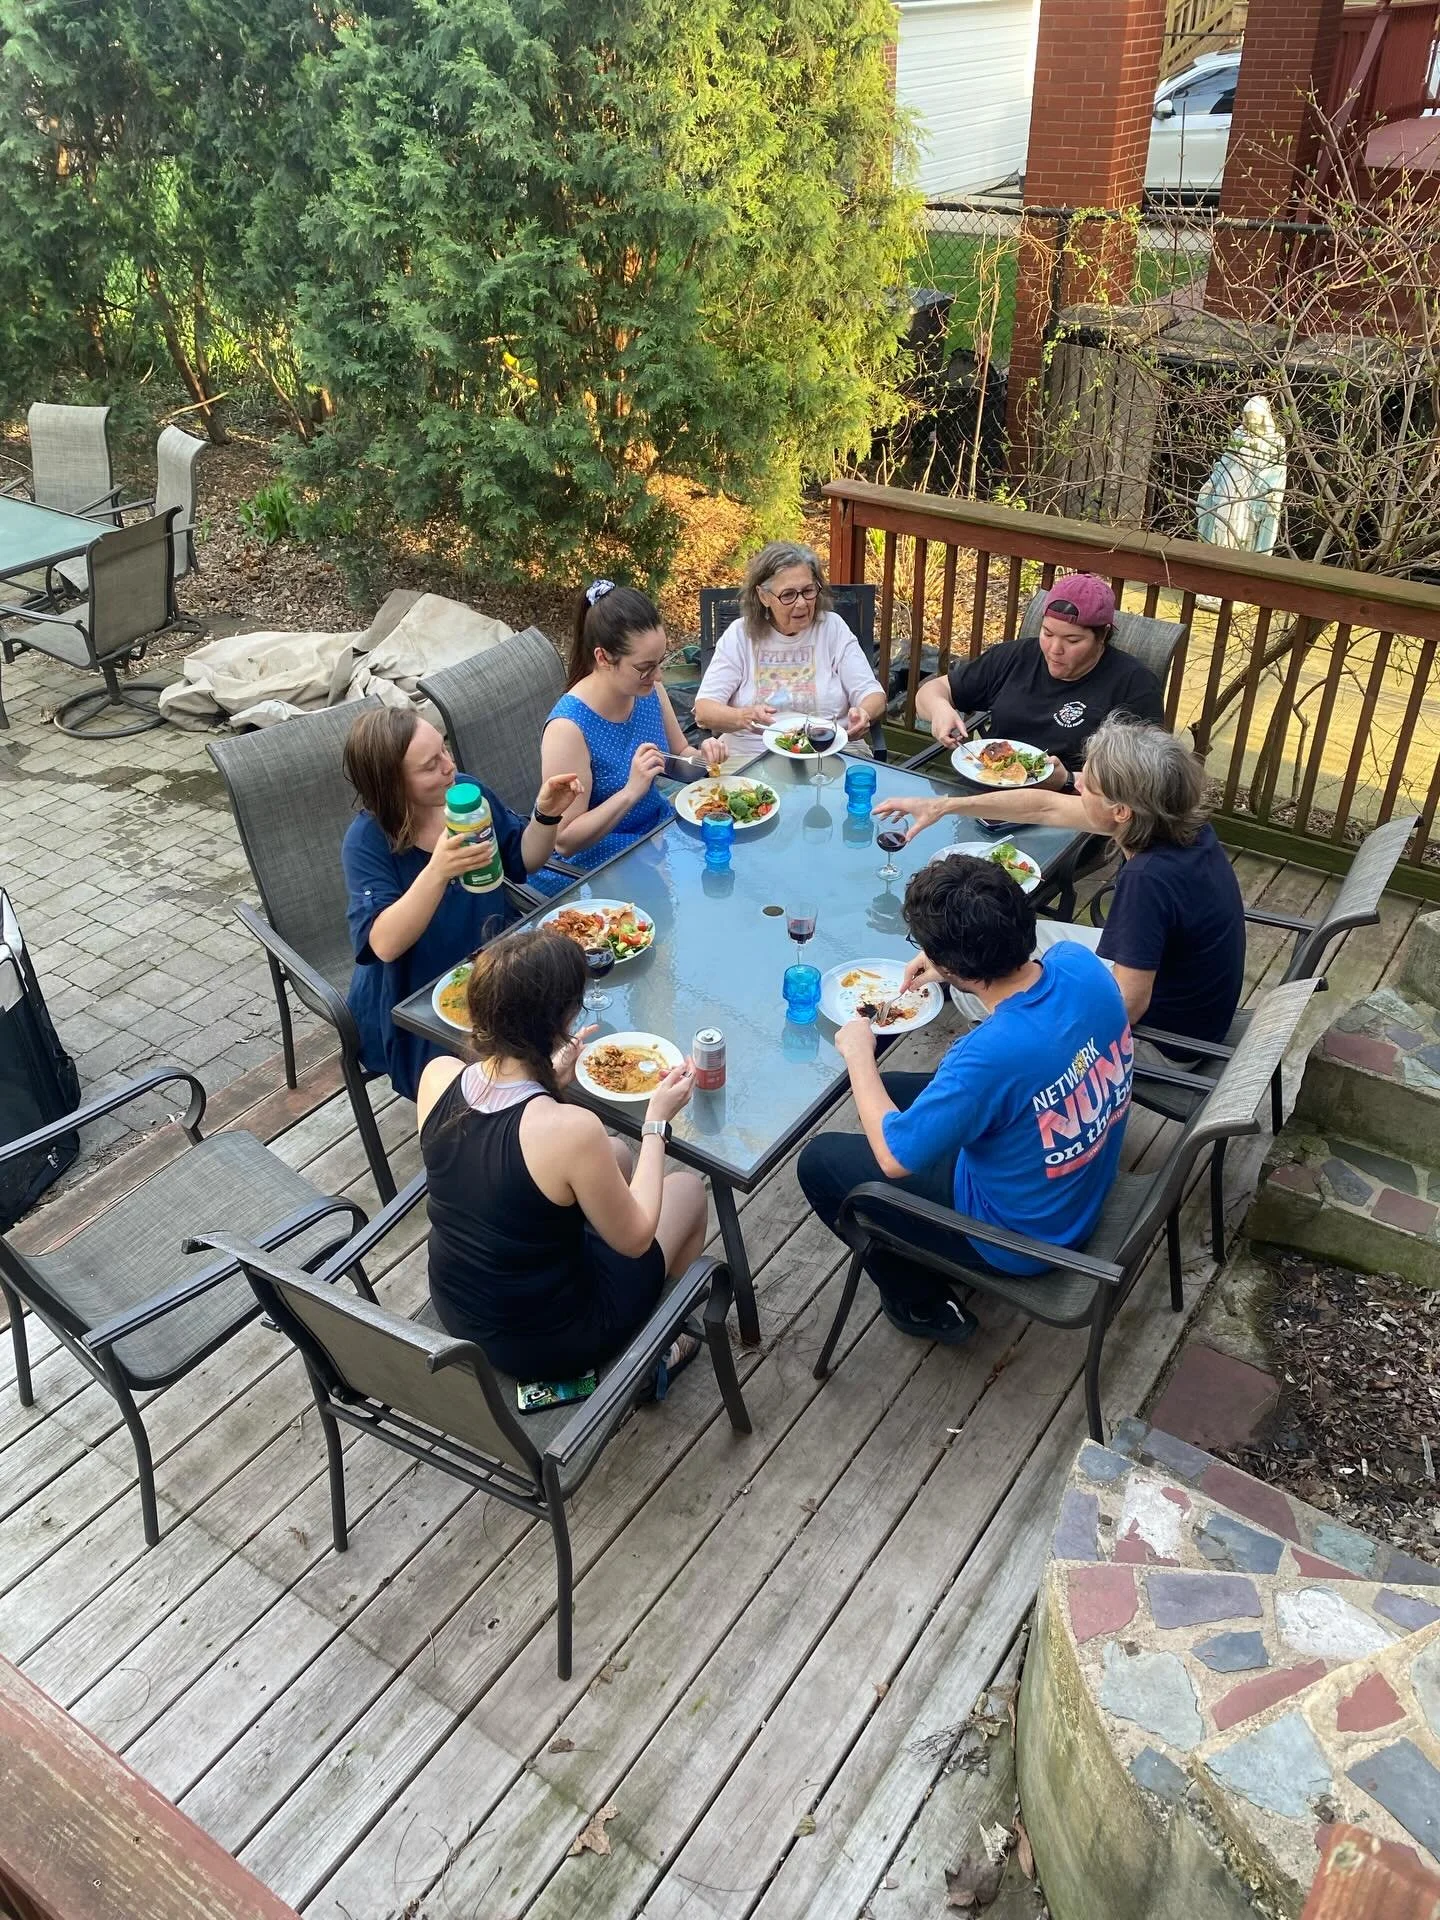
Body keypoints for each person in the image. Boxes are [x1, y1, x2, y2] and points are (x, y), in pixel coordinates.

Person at [797, 858, 1133, 1345]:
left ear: (956, 966)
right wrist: (951, 965)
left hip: (1025, 1239)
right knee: (891, 1088)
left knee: (820, 1160)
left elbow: (893, 1158)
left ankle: (919, 1299)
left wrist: (857, 1054)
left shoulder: (987, 1054)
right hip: (1077, 1180)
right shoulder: (1077, 964)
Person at [416, 929, 708, 1387]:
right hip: (549, 1341)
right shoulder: (569, 1131)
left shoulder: (439, 1076)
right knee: (686, 1191)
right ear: (564, 1018)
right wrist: (657, 1122)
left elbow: (500, 1166)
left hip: (459, 1304)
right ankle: (658, 1350)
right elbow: (635, 1240)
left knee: (613, 1154)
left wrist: (550, 1084)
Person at [873, 715, 1246, 1053]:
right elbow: (1045, 807)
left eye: (1090, 784)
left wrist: (963, 971)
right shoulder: (1180, 825)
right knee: (1004, 943)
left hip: (1167, 1042)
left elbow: (1127, 1007)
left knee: (981, 980)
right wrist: (944, 806)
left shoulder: (1148, 878)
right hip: (1188, 997)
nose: (1077, 783)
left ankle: (1005, 1063)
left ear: (1121, 811)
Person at [341, 707, 581, 1102]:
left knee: (566, 1026)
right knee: (514, 1081)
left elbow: (524, 860)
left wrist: (546, 813)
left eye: (445, 751)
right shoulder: (368, 840)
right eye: (429, 765)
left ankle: (549, 1132)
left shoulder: (469, 798)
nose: (449, 766)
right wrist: (437, 870)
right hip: (417, 999)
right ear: (392, 783)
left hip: (488, 967)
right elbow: (383, 943)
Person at [532, 581, 727, 895]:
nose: (658, 676)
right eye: (645, 667)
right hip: (598, 867)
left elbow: (678, 758)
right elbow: (565, 840)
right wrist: (630, 792)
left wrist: (705, 758)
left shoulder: (647, 689)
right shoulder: (568, 728)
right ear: (604, 658)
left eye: (659, 662)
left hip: (654, 835)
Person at [914, 574, 1165, 782]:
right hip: (987, 789)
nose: (1054, 649)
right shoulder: (1016, 656)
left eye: (1072, 640)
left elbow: (1142, 778)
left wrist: (1068, 779)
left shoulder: (1134, 685)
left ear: (1103, 636)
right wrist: (939, 709)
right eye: (1047, 633)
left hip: (1071, 808)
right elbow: (932, 690)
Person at [693, 541, 887, 759]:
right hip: (751, 754)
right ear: (764, 596)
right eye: (788, 595)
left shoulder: (832, 628)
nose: (802, 603)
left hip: (829, 752)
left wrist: (864, 713)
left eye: (808, 591)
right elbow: (704, 709)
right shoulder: (740, 635)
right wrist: (743, 716)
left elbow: (873, 694)